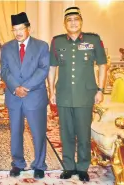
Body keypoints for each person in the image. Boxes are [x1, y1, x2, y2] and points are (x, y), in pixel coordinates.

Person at [48, 7, 107, 182]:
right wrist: (51, 91)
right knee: (65, 133)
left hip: (85, 94)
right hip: (64, 93)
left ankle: (82, 167)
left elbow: (103, 65)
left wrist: (100, 90)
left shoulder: (93, 40)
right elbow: (52, 67)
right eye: (69, 20)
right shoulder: (57, 42)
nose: (73, 22)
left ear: (81, 21)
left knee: (83, 134)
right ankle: (68, 166)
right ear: (65, 23)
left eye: (76, 19)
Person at [0, 12, 50, 179]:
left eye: (21, 28)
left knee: (38, 132)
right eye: (15, 29)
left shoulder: (42, 46)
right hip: (14, 97)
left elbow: (43, 69)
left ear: (28, 28)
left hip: (34, 96)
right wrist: (15, 87)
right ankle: (18, 163)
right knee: (15, 132)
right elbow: (4, 71)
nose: (18, 32)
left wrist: (25, 87)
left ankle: (39, 164)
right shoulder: (6, 47)